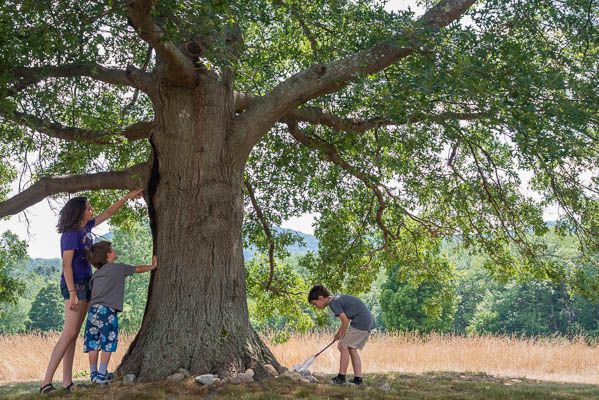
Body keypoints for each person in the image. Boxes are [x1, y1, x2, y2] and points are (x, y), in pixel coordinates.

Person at [39, 189, 143, 394]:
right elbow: (66, 266)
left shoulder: (86, 227)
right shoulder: (69, 235)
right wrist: (72, 293)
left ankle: (67, 382)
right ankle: (45, 383)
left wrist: (126, 198)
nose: (92, 210)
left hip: (86, 284)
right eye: (88, 208)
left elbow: (108, 213)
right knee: (68, 333)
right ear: (79, 212)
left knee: (73, 335)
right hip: (74, 286)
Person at [83, 241, 157, 384]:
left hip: (93, 311)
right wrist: (152, 266)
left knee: (93, 342)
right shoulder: (118, 268)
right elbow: (138, 269)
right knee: (107, 341)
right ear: (108, 255)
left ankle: (93, 374)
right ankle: (102, 374)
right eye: (112, 248)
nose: (114, 250)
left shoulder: (96, 275)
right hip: (107, 311)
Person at [308, 285, 374, 386]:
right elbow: (345, 320)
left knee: (343, 346)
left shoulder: (333, 302)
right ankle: (358, 379)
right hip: (367, 321)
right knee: (351, 348)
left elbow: (345, 321)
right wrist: (338, 334)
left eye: (315, 303)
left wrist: (342, 337)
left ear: (321, 298)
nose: (316, 306)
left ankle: (341, 377)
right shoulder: (335, 299)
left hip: (361, 321)